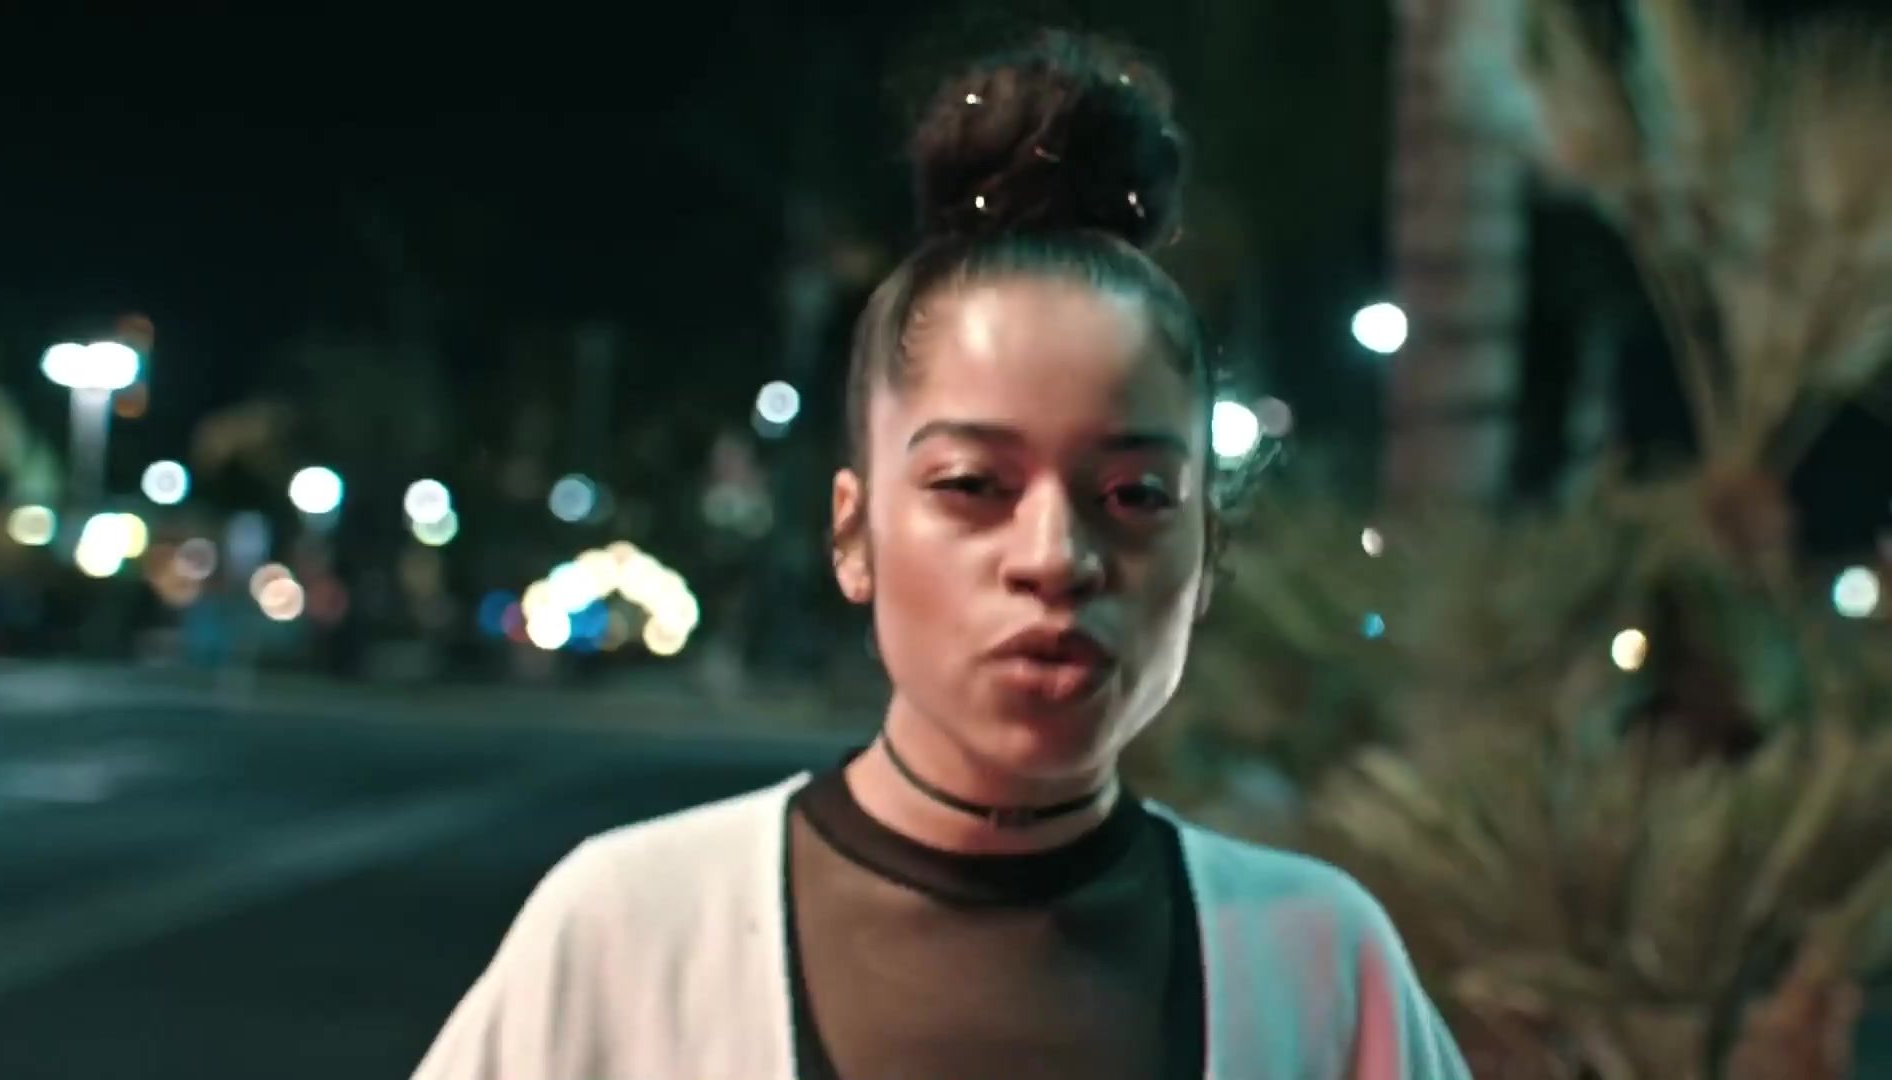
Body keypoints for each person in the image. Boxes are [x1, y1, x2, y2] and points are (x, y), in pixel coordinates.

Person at [412, 32, 1471, 1080]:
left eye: (1136, 495)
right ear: (853, 533)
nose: (1055, 558)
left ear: (1208, 554)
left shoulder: (1320, 971)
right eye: (972, 485)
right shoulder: (630, 939)